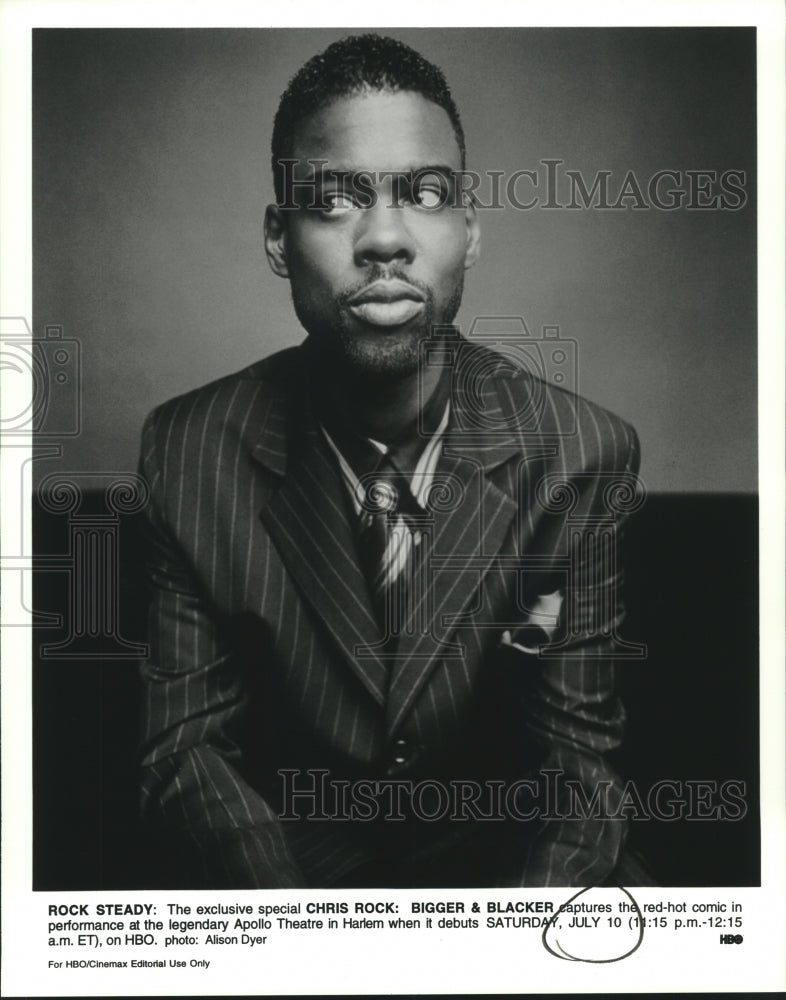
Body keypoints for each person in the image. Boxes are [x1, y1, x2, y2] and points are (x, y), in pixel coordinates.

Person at [138, 33, 645, 888]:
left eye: (426, 194)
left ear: (470, 232)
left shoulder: (580, 456)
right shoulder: (188, 453)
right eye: (334, 200)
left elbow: (579, 772)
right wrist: (302, 947)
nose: (384, 239)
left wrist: (513, 961)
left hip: (504, 893)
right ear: (277, 237)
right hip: (290, 893)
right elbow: (188, 757)